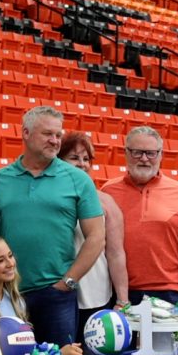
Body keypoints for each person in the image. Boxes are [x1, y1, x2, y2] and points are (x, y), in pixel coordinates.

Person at [0, 106, 105, 347]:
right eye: (47, 134)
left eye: (58, 135)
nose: (55, 141)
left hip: (56, 295)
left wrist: (68, 283)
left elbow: (96, 237)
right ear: (26, 133)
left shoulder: (78, 179)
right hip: (6, 294)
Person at [102, 126, 178, 311]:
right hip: (118, 294)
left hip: (168, 292)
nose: (144, 159)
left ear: (161, 155)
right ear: (126, 153)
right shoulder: (107, 192)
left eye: (151, 153)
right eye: (137, 152)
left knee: (165, 342)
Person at [0, 235, 82, 355]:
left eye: (10, 256)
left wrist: (55, 353)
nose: (11, 264)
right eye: (0, 261)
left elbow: (26, 346)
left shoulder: (15, 298)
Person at [58, 132, 129, 321]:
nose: (82, 163)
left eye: (86, 159)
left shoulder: (105, 201)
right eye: (74, 158)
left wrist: (122, 300)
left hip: (94, 294)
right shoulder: (46, 197)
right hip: (55, 291)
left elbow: (116, 253)